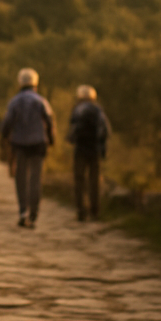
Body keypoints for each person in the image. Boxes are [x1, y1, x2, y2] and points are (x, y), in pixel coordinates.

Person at [0, 68, 54, 228]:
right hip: (38, 144)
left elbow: (7, 123)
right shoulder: (41, 101)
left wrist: (4, 138)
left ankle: (23, 211)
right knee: (35, 179)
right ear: (35, 83)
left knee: (21, 179)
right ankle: (34, 214)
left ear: (20, 83)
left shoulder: (15, 101)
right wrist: (51, 140)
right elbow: (50, 121)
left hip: (19, 144)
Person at [68, 84, 111, 222]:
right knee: (94, 181)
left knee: (79, 180)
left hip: (80, 149)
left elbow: (72, 131)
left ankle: (81, 210)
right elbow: (106, 131)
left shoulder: (77, 110)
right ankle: (95, 211)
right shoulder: (98, 110)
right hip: (95, 150)